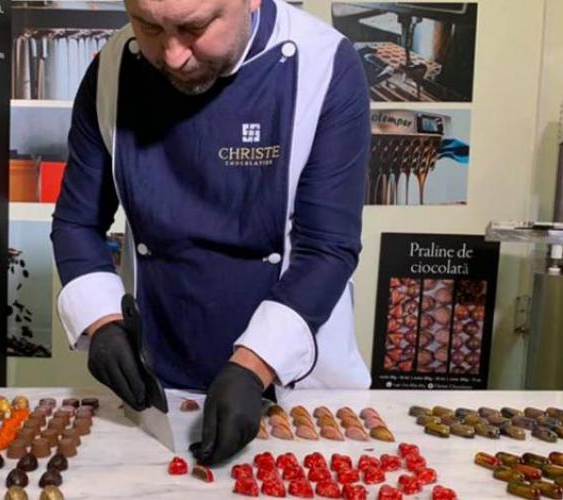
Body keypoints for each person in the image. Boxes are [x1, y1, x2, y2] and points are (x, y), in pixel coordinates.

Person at [52, 0, 372, 465]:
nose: (173, 55)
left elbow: (328, 247)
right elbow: (77, 222)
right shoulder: (111, 68)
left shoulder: (325, 63)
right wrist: (101, 321)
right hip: (162, 373)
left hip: (295, 385)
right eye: (148, 26)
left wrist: (254, 365)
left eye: (195, 27)